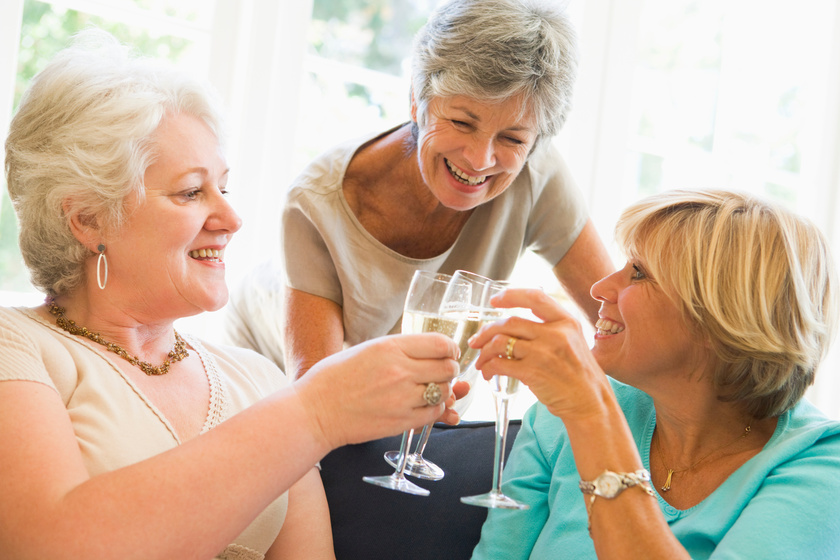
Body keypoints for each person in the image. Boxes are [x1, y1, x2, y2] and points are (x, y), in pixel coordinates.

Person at [0, 30, 465, 560]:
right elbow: (47, 544)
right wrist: (315, 412)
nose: (231, 218)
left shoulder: (258, 381)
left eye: (225, 186)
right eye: (191, 192)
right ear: (88, 219)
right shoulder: (16, 347)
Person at [226, 0, 614, 384]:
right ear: (417, 101)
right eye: (462, 122)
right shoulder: (316, 202)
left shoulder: (538, 174)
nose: (480, 160)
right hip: (271, 364)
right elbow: (317, 397)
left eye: (511, 137)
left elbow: (618, 322)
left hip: (406, 396)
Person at [467, 189, 840, 559]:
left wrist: (591, 413)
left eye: (639, 273)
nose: (600, 288)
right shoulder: (556, 422)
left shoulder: (820, 468)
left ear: (719, 321)